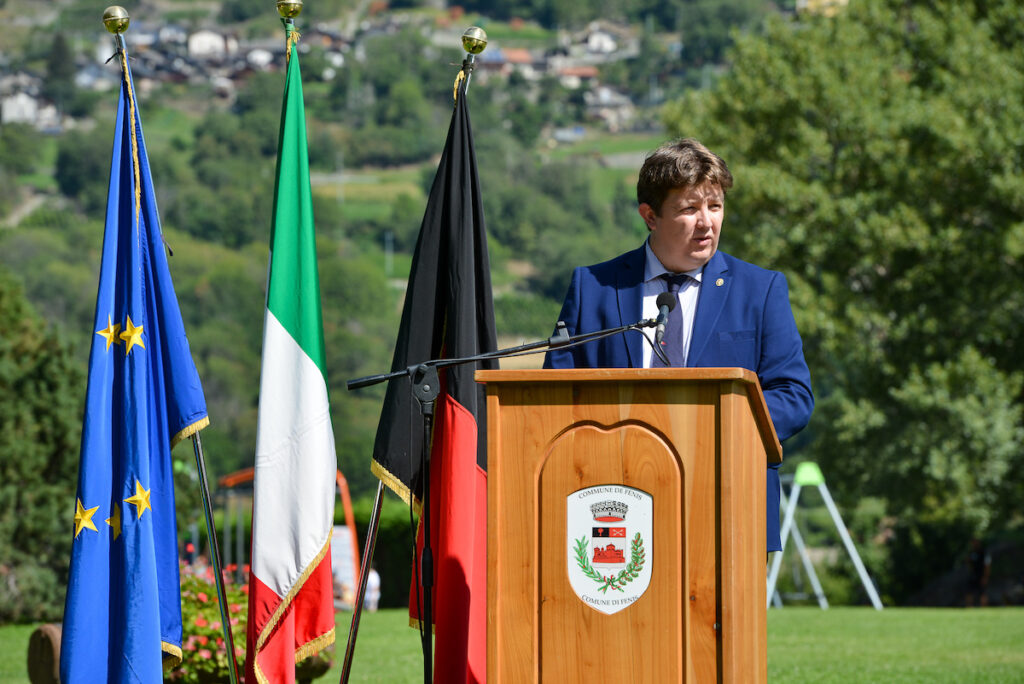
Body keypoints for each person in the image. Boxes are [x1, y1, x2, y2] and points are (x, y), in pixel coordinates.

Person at [544, 138, 814, 553]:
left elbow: (793, 396)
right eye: (690, 209)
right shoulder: (594, 287)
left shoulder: (761, 290)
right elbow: (554, 397)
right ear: (650, 216)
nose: (707, 222)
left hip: (729, 500)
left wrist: (709, 433)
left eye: (715, 206)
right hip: (613, 502)